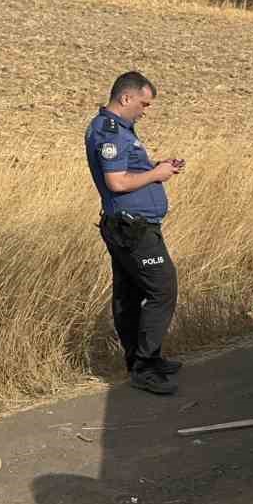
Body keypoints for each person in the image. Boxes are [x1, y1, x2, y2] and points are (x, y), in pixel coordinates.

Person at [86, 71, 184, 396]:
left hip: (132, 225)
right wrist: (156, 173)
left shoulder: (122, 131)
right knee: (162, 289)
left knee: (129, 294)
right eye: (143, 103)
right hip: (131, 228)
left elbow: (129, 172)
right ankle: (143, 365)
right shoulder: (110, 132)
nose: (145, 109)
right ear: (126, 98)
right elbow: (117, 182)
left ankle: (145, 360)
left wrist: (157, 167)